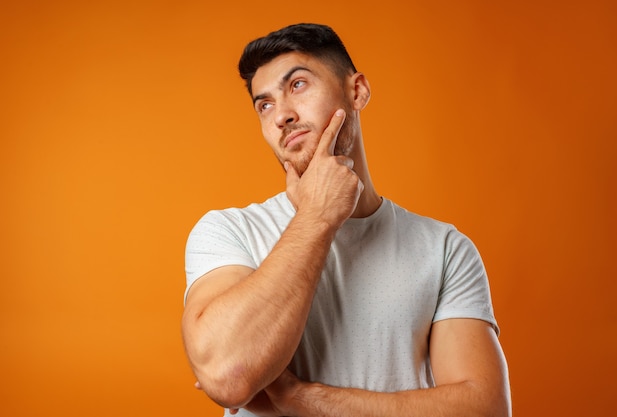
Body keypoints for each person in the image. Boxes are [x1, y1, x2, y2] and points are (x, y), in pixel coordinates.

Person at [182, 23, 511, 417]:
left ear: (357, 91)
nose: (281, 115)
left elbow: (485, 409)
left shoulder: (444, 249)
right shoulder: (227, 232)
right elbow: (228, 376)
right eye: (264, 104)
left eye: (298, 85)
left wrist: (305, 400)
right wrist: (318, 216)